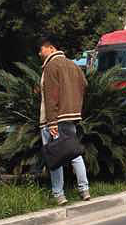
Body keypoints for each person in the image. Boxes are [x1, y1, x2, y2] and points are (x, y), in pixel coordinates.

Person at [39, 36, 91, 205]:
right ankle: (84, 190)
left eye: (42, 49)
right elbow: (84, 85)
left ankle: (58, 194)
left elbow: (50, 95)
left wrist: (51, 121)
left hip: (54, 118)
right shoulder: (73, 65)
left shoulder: (51, 66)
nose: (40, 53)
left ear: (51, 48)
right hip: (71, 117)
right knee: (75, 154)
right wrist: (74, 107)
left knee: (55, 157)